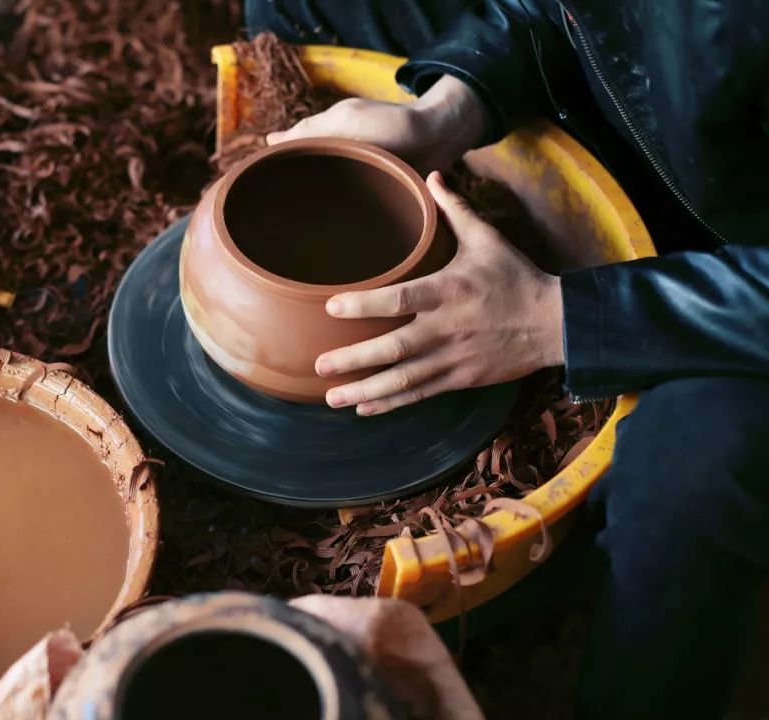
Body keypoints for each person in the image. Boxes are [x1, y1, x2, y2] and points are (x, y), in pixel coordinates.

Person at [244, 1, 769, 718]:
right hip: (668, 136)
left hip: (741, 288)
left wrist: (559, 317)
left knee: (696, 466)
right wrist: (448, 109)